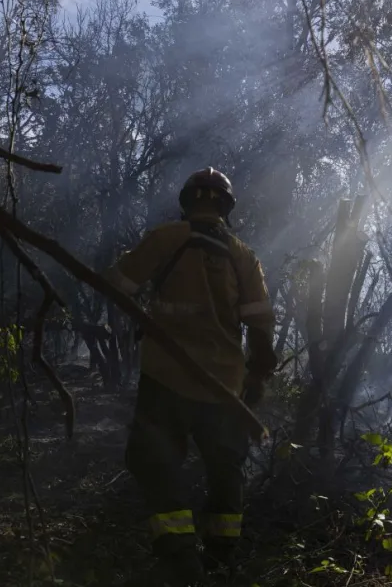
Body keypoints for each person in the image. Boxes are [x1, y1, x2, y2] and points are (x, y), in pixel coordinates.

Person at [103, 167, 278, 586]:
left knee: (153, 461)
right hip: (224, 384)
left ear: (187, 202)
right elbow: (260, 328)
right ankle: (219, 558)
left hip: (166, 375)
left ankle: (180, 557)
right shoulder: (243, 255)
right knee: (225, 471)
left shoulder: (165, 239)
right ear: (226, 207)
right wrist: (255, 380)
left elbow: (116, 284)